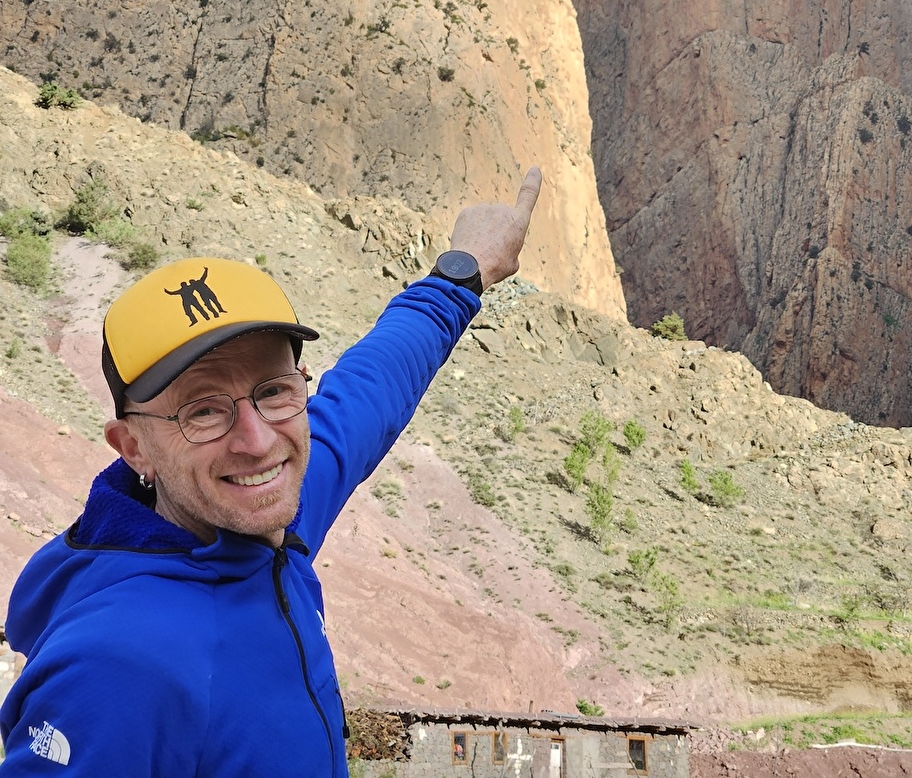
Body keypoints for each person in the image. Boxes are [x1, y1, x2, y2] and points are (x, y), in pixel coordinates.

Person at [0, 168, 542, 776]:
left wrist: (461, 273)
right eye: (203, 411)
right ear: (133, 448)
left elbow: (372, 389)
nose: (258, 441)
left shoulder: (273, 512)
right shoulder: (118, 664)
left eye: (274, 391)